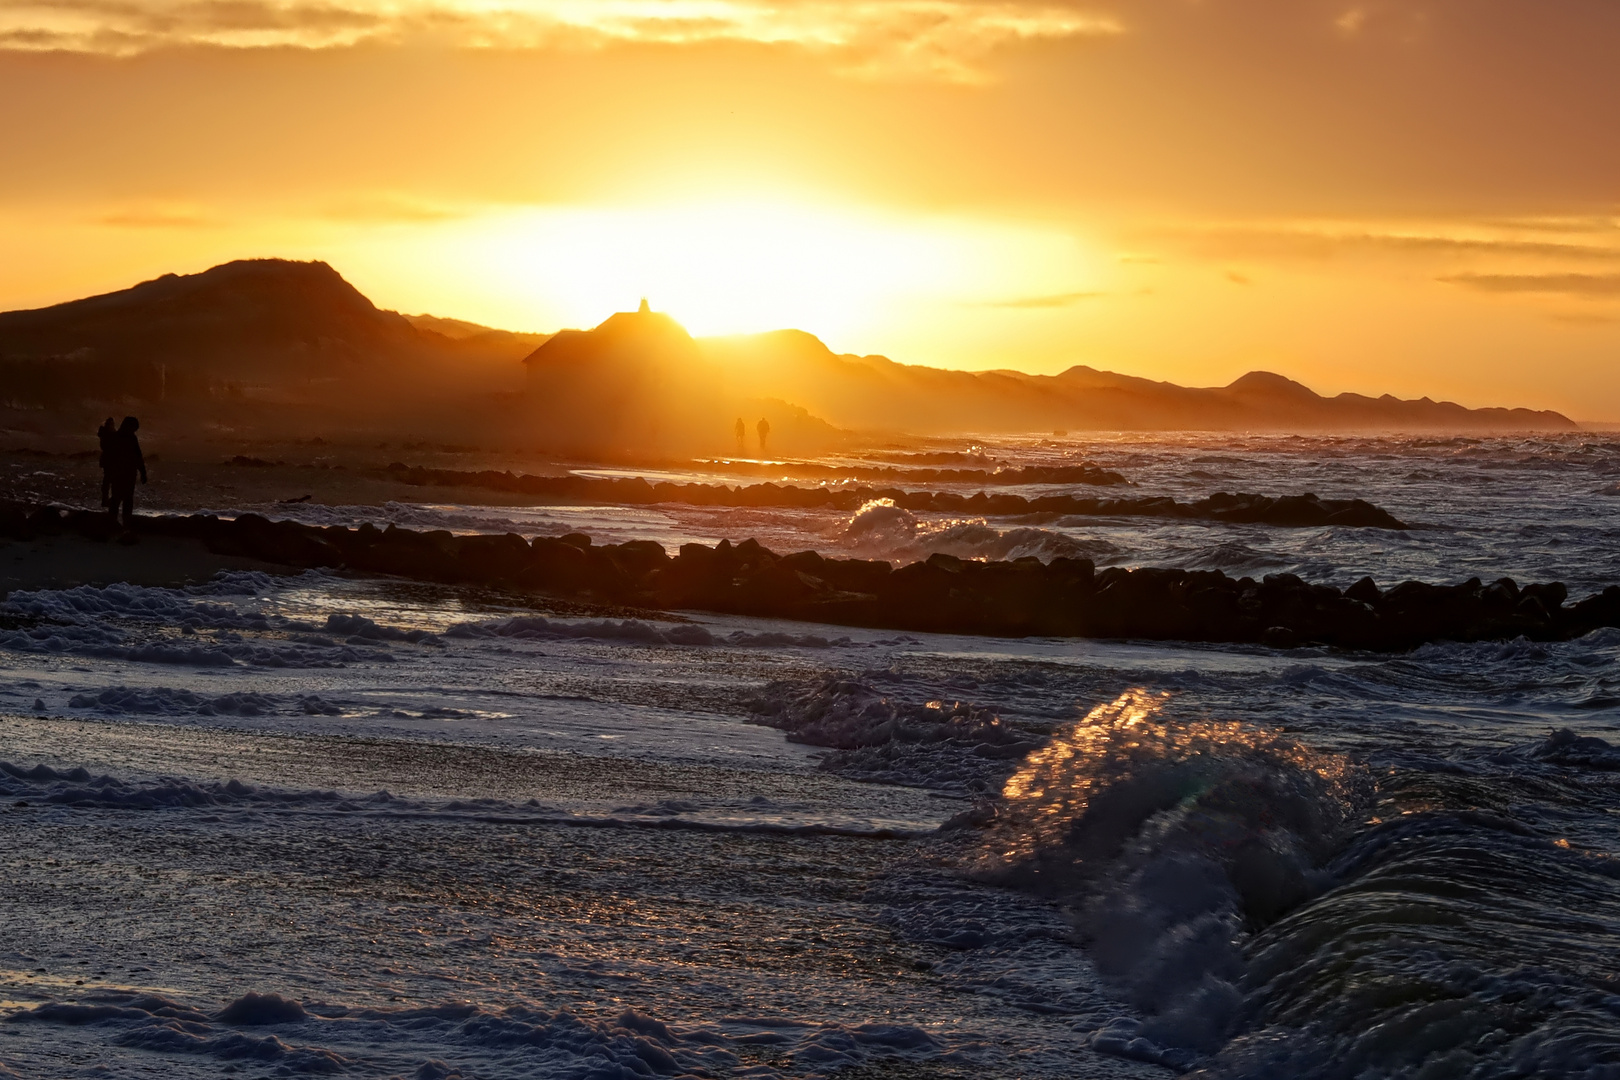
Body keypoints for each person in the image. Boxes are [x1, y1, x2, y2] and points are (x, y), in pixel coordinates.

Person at [105, 416, 147, 528]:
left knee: (119, 499)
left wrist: (143, 472)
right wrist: (143, 472)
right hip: (124, 473)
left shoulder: (119, 437)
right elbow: (138, 457)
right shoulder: (129, 438)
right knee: (122, 499)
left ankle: (116, 523)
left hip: (123, 473)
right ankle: (122, 523)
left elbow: (137, 457)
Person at [95, 417, 116, 508]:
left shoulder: (104, 433)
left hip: (106, 458)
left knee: (107, 480)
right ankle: (108, 500)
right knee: (110, 480)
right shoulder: (110, 433)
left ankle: (106, 500)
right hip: (110, 458)